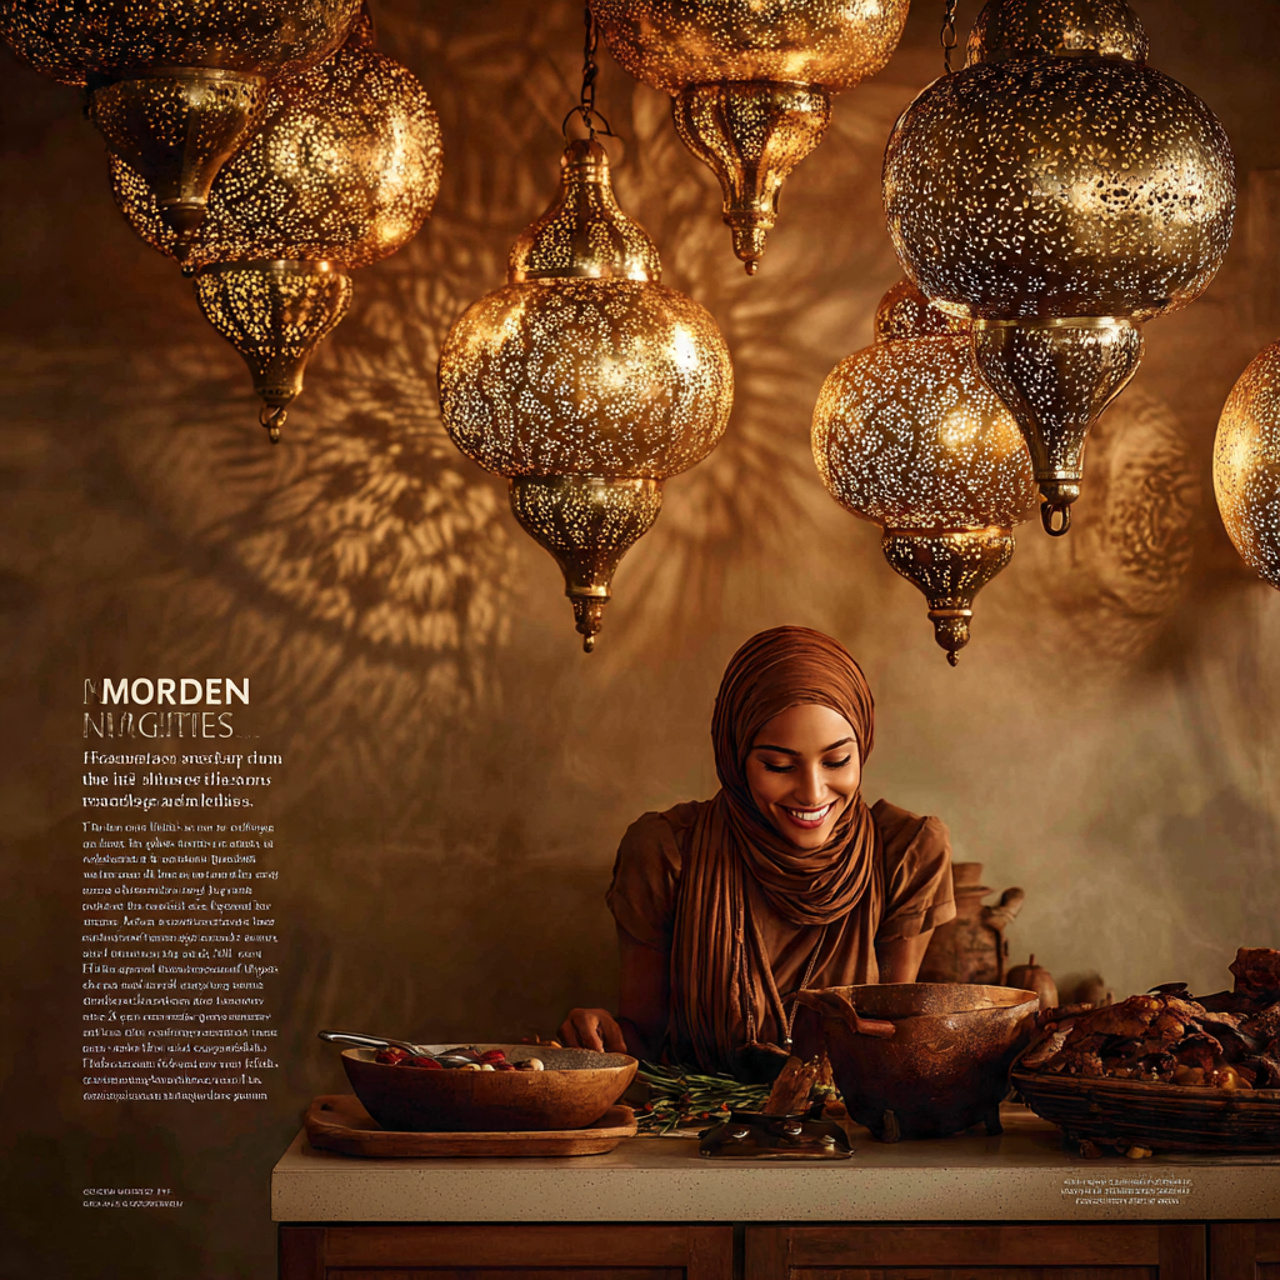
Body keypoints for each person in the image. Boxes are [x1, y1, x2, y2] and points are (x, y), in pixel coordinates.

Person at [559, 625, 956, 1079]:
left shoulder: (905, 852)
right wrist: (599, 1032)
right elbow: (643, 1040)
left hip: (851, 1135)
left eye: (837, 761)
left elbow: (892, 1037)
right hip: (698, 1131)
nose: (812, 792)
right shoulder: (666, 852)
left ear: (862, 747)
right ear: (734, 755)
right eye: (778, 765)